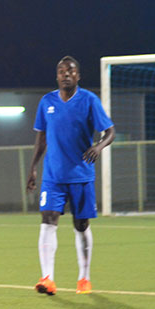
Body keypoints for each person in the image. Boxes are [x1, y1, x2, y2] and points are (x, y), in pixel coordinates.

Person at [26, 56, 115, 296]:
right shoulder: (47, 102)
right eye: (61, 71)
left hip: (81, 175)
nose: (66, 74)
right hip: (53, 176)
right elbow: (41, 138)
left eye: (71, 71)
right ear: (56, 76)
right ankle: (47, 278)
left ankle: (84, 278)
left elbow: (110, 131)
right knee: (48, 221)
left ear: (78, 76)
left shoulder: (89, 100)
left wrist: (98, 147)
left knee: (81, 224)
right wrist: (33, 167)